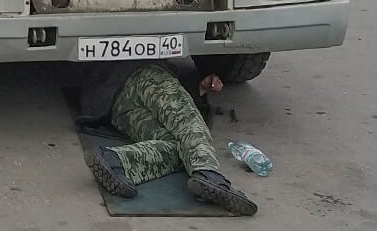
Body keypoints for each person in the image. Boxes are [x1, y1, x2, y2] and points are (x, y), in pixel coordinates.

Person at [78, 60, 257, 216]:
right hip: (145, 76)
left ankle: (117, 160)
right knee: (190, 122)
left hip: (116, 108)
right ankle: (209, 172)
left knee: (179, 146)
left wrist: (200, 88)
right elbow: (185, 116)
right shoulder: (153, 64)